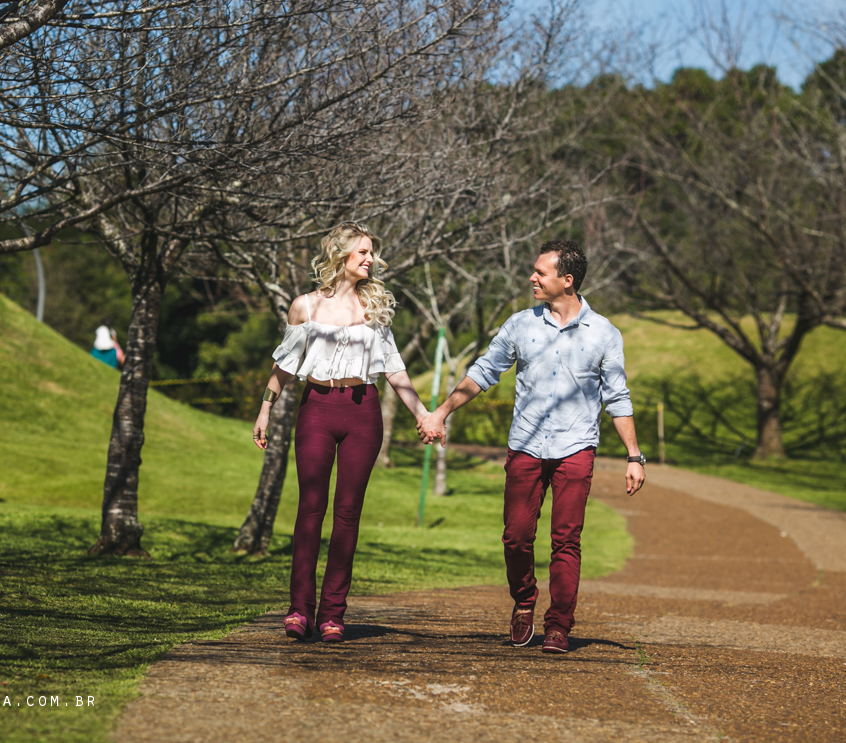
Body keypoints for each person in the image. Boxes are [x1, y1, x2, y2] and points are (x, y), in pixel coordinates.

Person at [417, 240, 645, 654]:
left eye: (541, 272)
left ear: (567, 280)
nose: (532, 278)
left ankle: (559, 624)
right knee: (516, 536)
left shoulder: (605, 334)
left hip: (576, 448)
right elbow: (485, 371)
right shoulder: (521, 324)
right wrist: (442, 411)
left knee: (566, 539)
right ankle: (524, 601)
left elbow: (618, 397)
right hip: (525, 445)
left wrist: (633, 456)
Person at [253, 221, 433, 644]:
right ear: (340, 256)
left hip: (362, 413)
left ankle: (333, 614)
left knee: (348, 515)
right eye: (363, 252)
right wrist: (264, 410)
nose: (370, 259)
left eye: (371, 252)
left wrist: (423, 414)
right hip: (316, 409)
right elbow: (282, 367)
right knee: (310, 510)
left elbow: (394, 370)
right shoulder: (305, 307)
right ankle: (300, 611)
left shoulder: (375, 310)